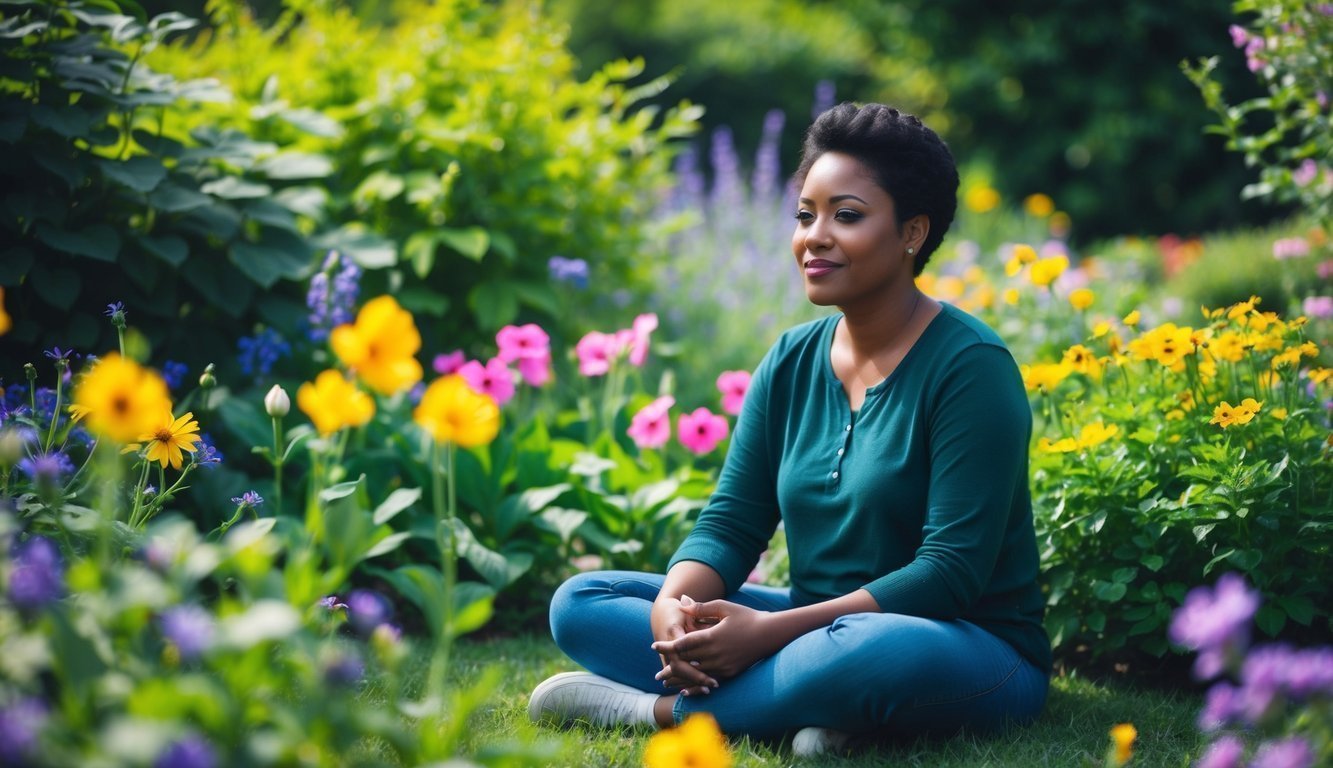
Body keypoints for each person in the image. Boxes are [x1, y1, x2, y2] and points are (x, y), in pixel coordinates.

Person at [527, 102, 1051, 756]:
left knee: (870, 652)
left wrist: (765, 635)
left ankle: (654, 711)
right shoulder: (791, 358)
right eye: (805, 215)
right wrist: (674, 610)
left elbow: (948, 574)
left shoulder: (971, 369)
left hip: (959, 642)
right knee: (581, 599)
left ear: (912, 233)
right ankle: (823, 715)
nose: (815, 236)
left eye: (847, 216)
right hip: (810, 626)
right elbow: (731, 521)